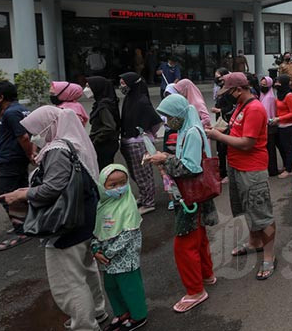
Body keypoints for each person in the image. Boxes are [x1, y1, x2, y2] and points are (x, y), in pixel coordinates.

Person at [0, 106, 106, 330]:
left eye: (36, 130)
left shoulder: (57, 150)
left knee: (69, 281)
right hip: (84, 217)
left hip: (66, 224)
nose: (34, 136)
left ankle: (85, 324)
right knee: (87, 269)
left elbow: (52, 188)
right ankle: (97, 312)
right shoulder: (73, 141)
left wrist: (22, 193)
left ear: (50, 126)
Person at [147, 94, 218, 312]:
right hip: (194, 196)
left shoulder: (191, 133)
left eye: (168, 116)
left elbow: (191, 168)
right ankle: (206, 275)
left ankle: (195, 291)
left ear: (178, 114)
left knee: (184, 244)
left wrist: (164, 159)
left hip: (190, 197)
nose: (167, 121)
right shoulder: (189, 129)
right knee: (198, 238)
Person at [206, 73, 277, 278]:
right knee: (247, 207)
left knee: (262, 213)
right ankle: (255, 242)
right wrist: (220, 129)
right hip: (237, 167)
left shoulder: (254, 108)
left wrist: (219, 136)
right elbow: (236, 130)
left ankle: (269, 256)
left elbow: (248, 143)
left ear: (238, 90)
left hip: (252, 170)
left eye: (228, 92)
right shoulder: (241, 106)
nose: (225, 96)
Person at [91, 164, 148, 330]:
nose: (119, 188)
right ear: (103, 186)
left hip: (125, 259)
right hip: (108, 261)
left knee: (130, 287)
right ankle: (122, 313)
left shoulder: (128, 205)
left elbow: (128, 235)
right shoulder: (102, 206)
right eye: (112, 185)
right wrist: (96, 249)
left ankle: (138, 316)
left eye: (123, 183)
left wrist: (107, 253)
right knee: (111, 287)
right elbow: (97, 231)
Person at [0, 81, 34, 251]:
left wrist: (30, 154)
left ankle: (22, 230)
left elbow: (23, 137)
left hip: (12, 159)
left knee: (7, 195)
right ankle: (27, 223)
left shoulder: (11, 113)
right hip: (14, 158)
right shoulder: (19, 109)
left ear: (1, 97)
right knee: (21, 192)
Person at [119, 72, 162, 215]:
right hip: (128, 141)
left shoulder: (142, 101)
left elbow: (156, 121)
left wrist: (148, 134)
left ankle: (149, 202)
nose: (121, 86)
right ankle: (144, 197)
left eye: (124, 83)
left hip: (139, 143)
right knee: (135, 174)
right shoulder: (129, 98)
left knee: (144, 174)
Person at [85, 76, 121, 170]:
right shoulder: (101, 103)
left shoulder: (103, 106)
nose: (86, 90)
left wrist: (97, 139)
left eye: (89, 86)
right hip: (106, 143)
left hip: (104, 145)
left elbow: (110, 127)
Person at [272, 74, 292, 178]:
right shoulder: (279, 93)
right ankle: (287, 165)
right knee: (282, 146)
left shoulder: (289, 95)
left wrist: (279, 119)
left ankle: (289, 169)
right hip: (280, 125)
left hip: (289, 126)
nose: (276, 84)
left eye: (279, 82)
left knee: (289, 148)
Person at [212, 69, 234, 182]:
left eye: (219, 77)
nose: (217, 79)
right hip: (220, 122)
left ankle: (226, 173)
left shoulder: (229, 92)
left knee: (225, 149)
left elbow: (230, 108)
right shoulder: (220, 89)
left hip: (226, 123)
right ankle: (222, 172)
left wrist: (219, 110)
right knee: (220, 150)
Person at [258, 75, 279, 177]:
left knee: (270, 149)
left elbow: (268, 113)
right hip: (264, 126)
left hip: (269, 126)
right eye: (261, 84)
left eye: (265, 84)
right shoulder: (262, 95)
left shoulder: (269, 97)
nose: (263, 86)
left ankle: (272, 170)